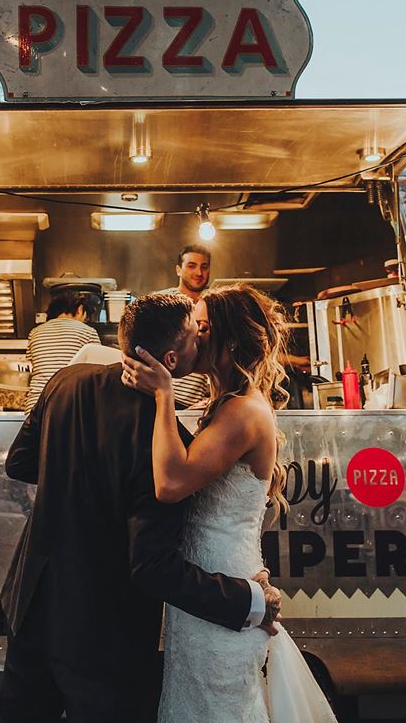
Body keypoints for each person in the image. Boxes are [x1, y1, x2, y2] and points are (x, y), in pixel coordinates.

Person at [0, 293, 281, 723]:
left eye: (204, 330)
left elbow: (19, 462)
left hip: (34, 605)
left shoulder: (66, 382)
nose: (199, 341)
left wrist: (79, 480)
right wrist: (249, 601)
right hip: (104, 629)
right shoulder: (162, 435)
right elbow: (152, 565)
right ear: (170, 355)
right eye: (194, 332)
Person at [124, 285, 337, 723]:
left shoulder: (242, 412)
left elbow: (171, 483)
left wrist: (164, 395)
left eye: (202, 328)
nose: (192, 338)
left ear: (232, 341)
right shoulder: (223, 405)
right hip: (208, 587)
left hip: (225, 593)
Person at [23, 289, 101, 411]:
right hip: (71, 406)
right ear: (80, 309)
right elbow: (98, 374)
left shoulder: (35, 332)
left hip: (35, 405)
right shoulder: (88, 332)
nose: (84, 320)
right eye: (85, 317)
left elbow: (35, 366)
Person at [156, 244, 213, 408]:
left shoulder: (213, 305)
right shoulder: (161, 301)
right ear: (178, 270)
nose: (199, 273)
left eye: (204, 266)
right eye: (191, 266)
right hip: (161, 397)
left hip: (194, 404)